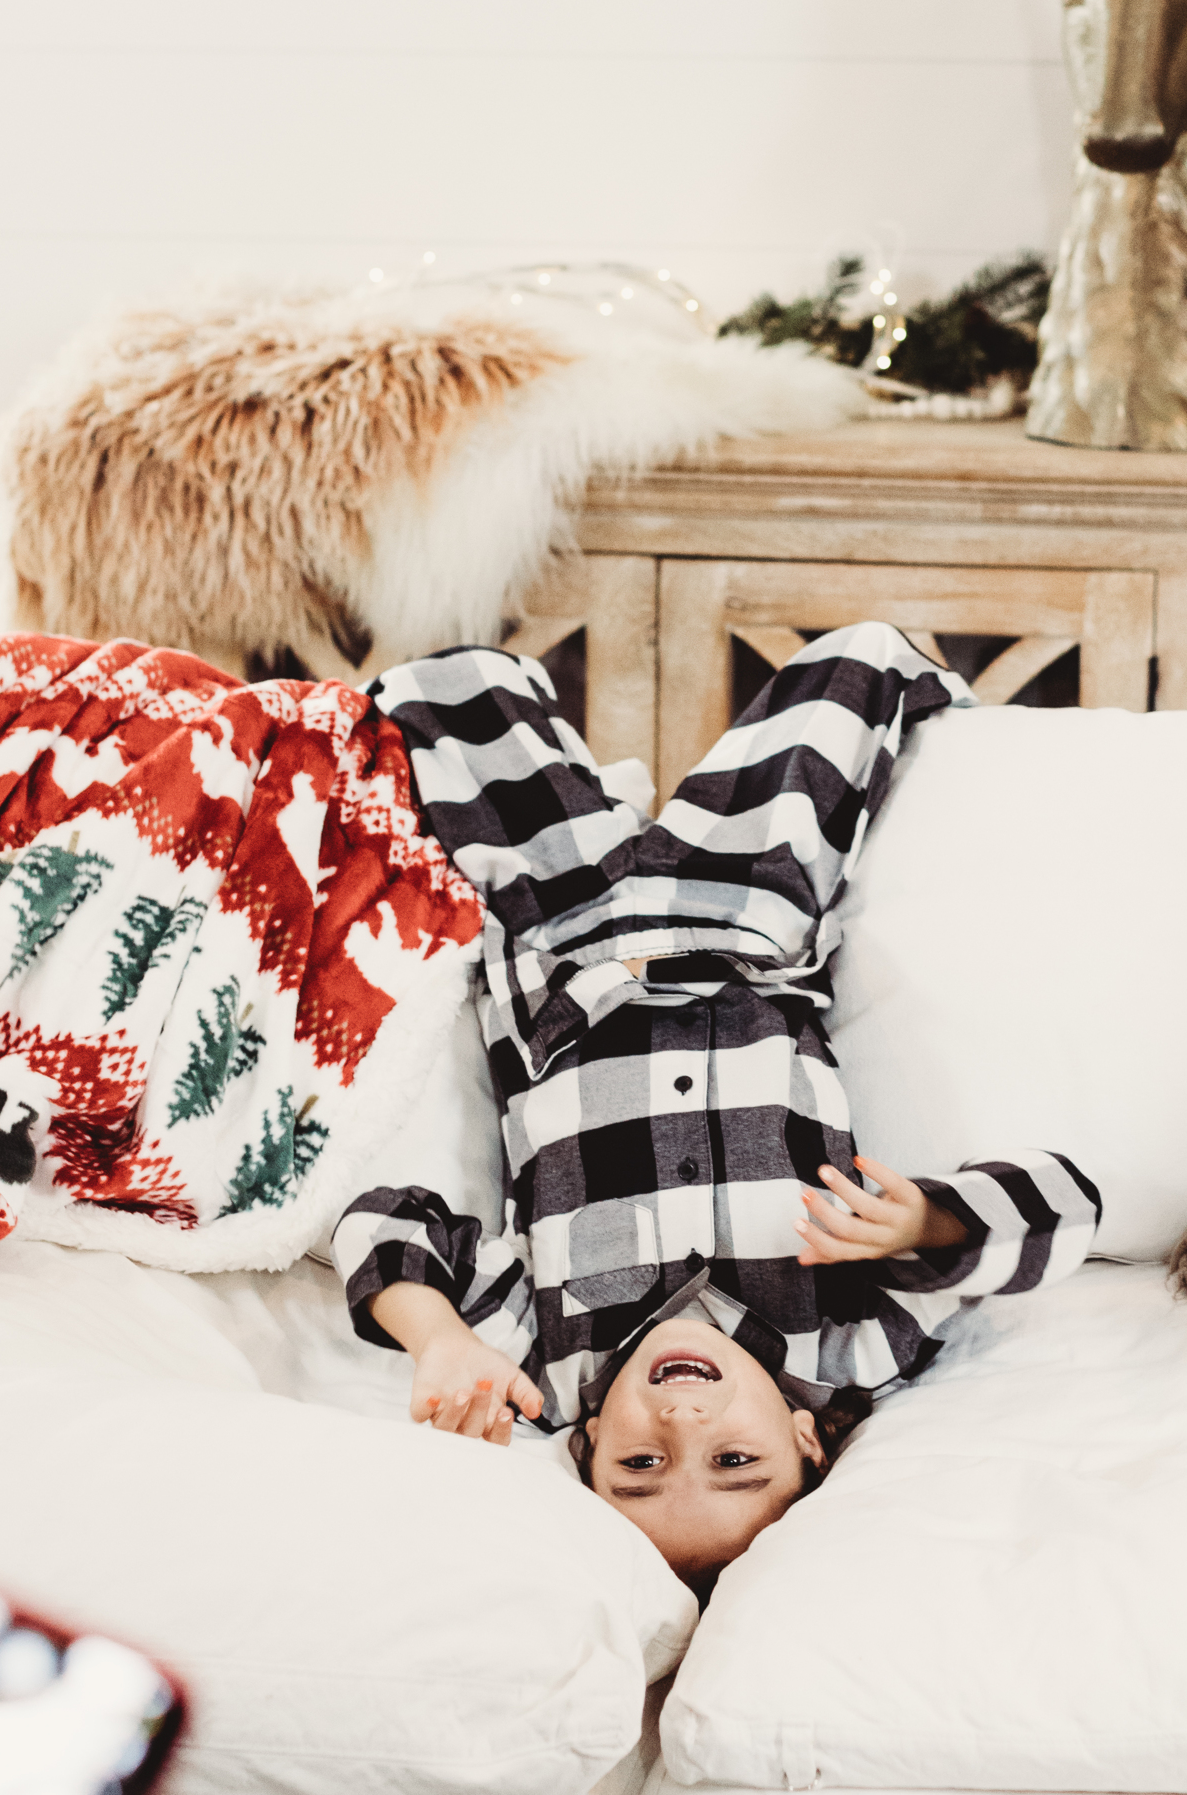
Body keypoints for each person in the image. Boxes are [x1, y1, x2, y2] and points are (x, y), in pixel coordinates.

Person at [333, 623, 1099, 1591]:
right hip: (742, 914)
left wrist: (437, 1340)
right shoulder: (846, 1345)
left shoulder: (544, 1363)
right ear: (803, 1439)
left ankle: (606, 800)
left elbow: (389, 1222)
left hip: (552, 941)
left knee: (444, 679)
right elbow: (1061, 1207)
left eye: (638, 1467)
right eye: (736, 1462)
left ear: (584, 1449)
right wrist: (924, 1220)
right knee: (861, 657)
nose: (681, 1429)